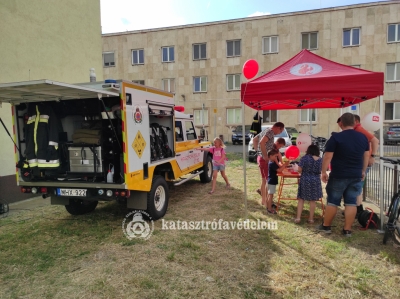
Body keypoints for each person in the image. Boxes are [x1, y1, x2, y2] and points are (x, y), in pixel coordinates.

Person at [318, 113, 369, 237]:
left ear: (341, 123)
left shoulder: (336, 138)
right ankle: (347, 230)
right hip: (356, 175)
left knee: (333, 201)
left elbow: (327, 157)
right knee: (351, 202)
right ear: (355, 123)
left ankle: (326, 226)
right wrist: (363, 170)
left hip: (339, 175)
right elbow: (366, 155)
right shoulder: (363, 138)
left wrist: (323, 172)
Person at [252, 122, 285, 207]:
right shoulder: (270, 132)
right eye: (280, 131)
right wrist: (265, 156)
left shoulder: (266, 130)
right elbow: (262, 142)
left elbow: (255, 139)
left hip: (260, 158)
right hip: (264, 159)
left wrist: (258, 152)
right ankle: (267, 202)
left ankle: (263, 201)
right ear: (278, 128)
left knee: (264, 180)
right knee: (267, 181)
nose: (279, 133)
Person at [353, 114, 379, 215]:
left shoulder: (359, 129)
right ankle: (357, 208)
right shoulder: (357, 130)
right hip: (362, 161)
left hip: (365, 161)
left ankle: (359, 210)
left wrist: (372, 156)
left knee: (357, 185)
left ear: (355, 121)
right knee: (357, 185)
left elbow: (375, 140)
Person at [294, 144, 323, 224]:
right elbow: (322, 170)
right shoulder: (321, 160)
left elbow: (299, 170)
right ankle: (311, 219)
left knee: (301, 199)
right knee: (313, 200)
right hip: (315, 180)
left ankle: (298, 218)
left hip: (305, 179)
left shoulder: (304, 158)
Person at [266, 149, 289, 214]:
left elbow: (279, 167)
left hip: (271, 180)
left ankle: (268, 207)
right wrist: (285, 165)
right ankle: (269, 209)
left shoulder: (272, 162)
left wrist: (284, 164)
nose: (276, 158)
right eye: (275, 156)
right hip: (272, 181)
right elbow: (279, 170)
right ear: (270, 156)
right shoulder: (271, 163)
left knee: (270, 194)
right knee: (270, 195)